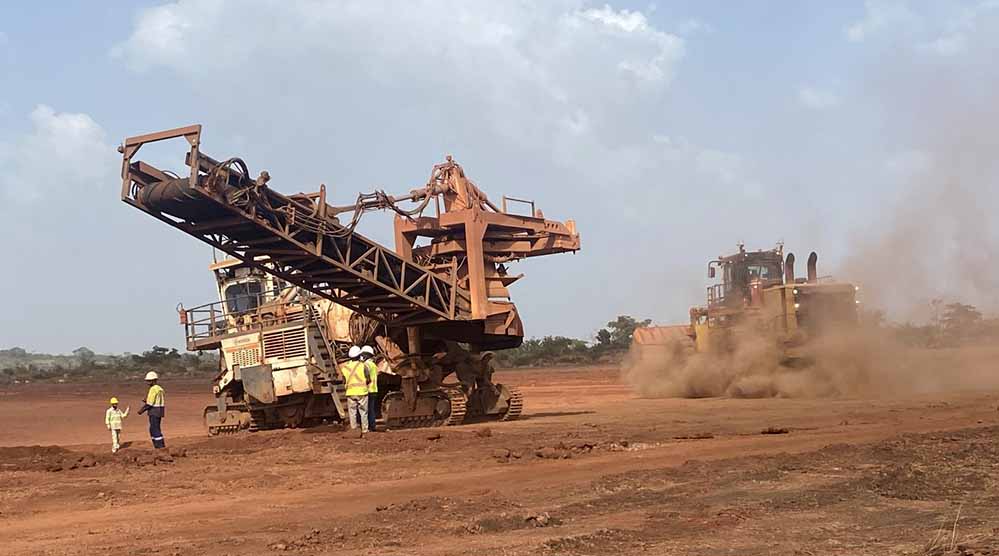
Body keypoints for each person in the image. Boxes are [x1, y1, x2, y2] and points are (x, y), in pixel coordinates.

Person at [339, 345, 370, 433]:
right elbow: (368, 379)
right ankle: (365, 430)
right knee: (363, 412)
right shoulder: (363, 366)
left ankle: (354, 430)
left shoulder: (345, 368)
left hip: (350, 392)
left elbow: (343, 381)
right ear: (359, 355)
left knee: (352, 413)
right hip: (362, 392)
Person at [137, 371, 166, 449]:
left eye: (149, 381)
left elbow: (150, 404)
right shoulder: (160, 389)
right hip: (159, 411)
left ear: (154, 380)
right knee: (154, 428)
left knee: (154, 429)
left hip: (154, 411)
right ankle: (159, 447)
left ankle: (160, 447)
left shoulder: (153, 389)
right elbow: (156, 401)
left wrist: (141, 411)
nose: (148, 382)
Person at [360, 345, 379, 431]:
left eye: (363, 355)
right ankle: (373, 426)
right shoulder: (374, 365)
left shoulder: (366, 364)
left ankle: (370, 427)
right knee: (372, 409)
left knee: (367, 410)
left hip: (368, 389)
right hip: (374, 389)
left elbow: (366, 377)